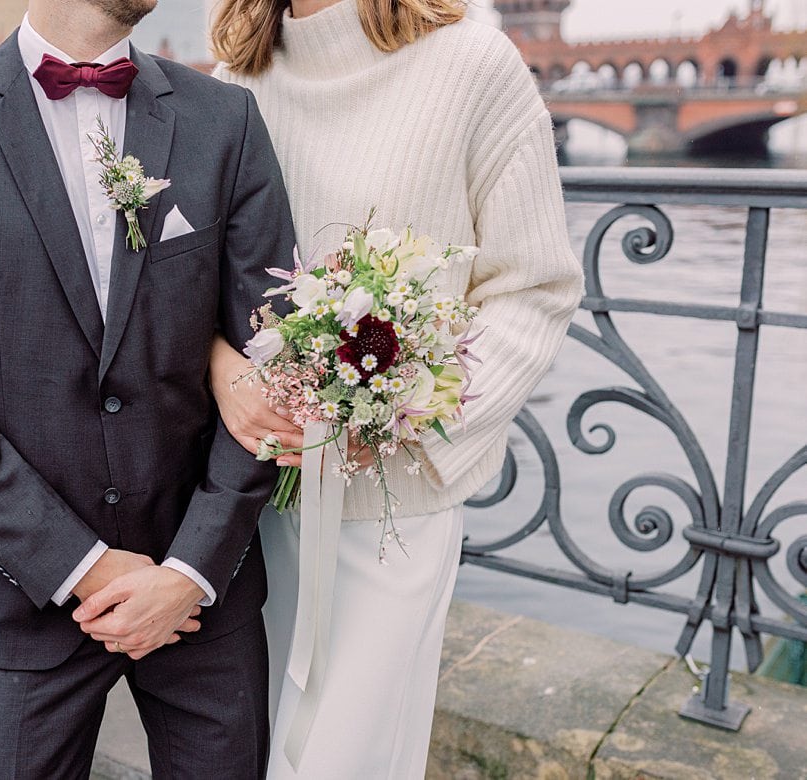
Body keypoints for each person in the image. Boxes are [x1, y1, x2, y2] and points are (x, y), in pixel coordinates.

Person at [0, 0, 296, 776]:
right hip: (21, 599)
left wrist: (191, 571)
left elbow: (274, 357)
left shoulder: (225, 119)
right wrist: (83, 566)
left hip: (202, 594)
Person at [210, 0, 584, 776]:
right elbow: (185, 288)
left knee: (344, 761)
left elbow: (533, 287)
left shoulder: (474, 66)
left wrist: (400, 412)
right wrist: (224, 370)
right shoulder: (234, 81)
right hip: (247, 507)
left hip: (392, 514)